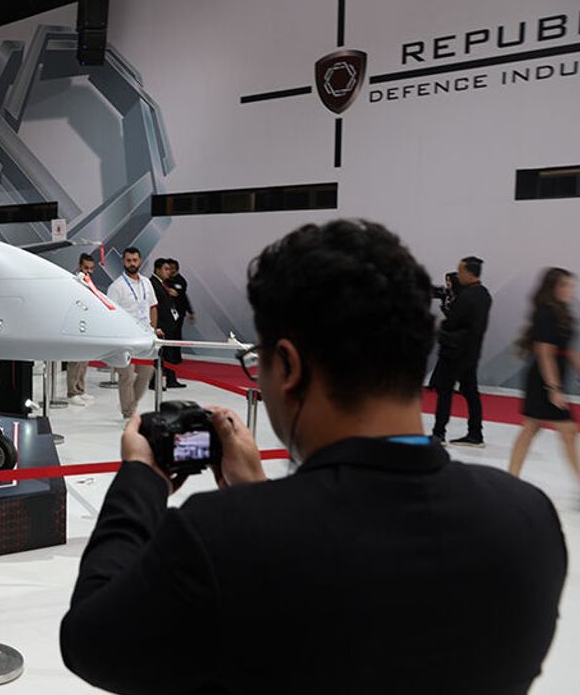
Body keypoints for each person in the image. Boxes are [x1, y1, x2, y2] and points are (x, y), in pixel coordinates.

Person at [61, 220, 566, 695]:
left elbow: (92, 641)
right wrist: (259, 498)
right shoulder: (527, 519)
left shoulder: (220, 537)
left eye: (257, 360)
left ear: (288, 366)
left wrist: (141, 480)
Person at [508, 267, 580, 482]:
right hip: (543, 380)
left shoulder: (562, 313)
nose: (569, 290)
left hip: (549, 378)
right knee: (567, 430)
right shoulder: (547, 314)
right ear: (552, 288)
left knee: (532, 428)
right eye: (564, 285)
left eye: (570, 285)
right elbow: (544, 353)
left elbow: (567, 350)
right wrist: (553, 388)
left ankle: (511, 477)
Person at [431, 256, 492, 446]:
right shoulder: (484, 295)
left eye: (460, 272)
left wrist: (442, 323)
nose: (457, 276)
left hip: (454, 352)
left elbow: (451, 322)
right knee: (471, 393)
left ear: (467, 273)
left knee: (445, 392)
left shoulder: (466, 297)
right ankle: (475, 433)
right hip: (471, 352)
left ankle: (438, 433)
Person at [105, 247, 159, 420]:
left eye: (135, 260)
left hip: (145, 337)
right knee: (126, 376)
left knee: (147, 373)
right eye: (128, 260)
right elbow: (110, 314)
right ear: (123, 261)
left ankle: (130, 404)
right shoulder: (117, 287)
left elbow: (153, 307)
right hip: (125, 339)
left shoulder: (147, 283)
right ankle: (128, 414)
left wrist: (153, 329)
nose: (132, 263)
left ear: (140, 260)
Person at [67, 253, 98, 407]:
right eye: (86, 268)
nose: (88, 271)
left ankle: (80, 389)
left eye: (91, 268)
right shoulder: (74, 281)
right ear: (79, 266)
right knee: (75, 360)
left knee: (84, 359)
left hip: (87, 323)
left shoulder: (89, 281)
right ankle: (72, 392)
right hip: (75, 324)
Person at [150, 258, 186, 389]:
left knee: (168, 354)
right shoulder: (152, 284)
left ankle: (171, 380)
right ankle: (155, 381)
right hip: (161, 325)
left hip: (169, 324)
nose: (168, 272)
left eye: (169, 269)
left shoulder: (163, 284)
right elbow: (153, 307)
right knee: (160, 354)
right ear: (157, 269)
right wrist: (156, 326)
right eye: (166, 269)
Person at [166, 258, 194, 325]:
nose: (170, 270)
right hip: (166, 311)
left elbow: (183, 297)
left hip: (178, 312)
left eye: (172, 268)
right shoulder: (164, 279)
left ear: (177, 269)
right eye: (168, 268)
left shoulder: (181, 281)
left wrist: (190, 312)